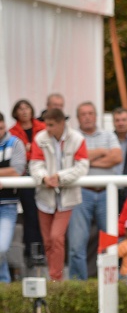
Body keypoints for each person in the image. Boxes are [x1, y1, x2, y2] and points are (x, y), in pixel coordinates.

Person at [30, 108, 89, 281]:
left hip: (68, 197)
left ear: (62, 122)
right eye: (46, 124)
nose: (47, 128)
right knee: (48, 241)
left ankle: (57, 279)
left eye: (51, 125)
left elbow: (82, 166)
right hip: (45, 196)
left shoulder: (77, 139)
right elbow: (35, 165)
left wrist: (59, 178)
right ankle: (55, 277)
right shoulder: (40, 138)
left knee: (56, 238)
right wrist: (44, 178)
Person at [68, 101, 122, 280]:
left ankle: (111, 283)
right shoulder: (73, 137)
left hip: (107, 192)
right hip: (82, 192)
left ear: (96, 116)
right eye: (83, 114)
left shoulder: (108, 135)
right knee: (77, 244)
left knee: (110, 240)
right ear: (78, 118)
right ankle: (79, 287)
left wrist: (87, 160)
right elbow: (73, 159)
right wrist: (101, 151)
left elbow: (117, 157)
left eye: (90, 113)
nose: (87, 117)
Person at [8, 99, 46, 268]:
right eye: (20, 109)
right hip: (24, 178)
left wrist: (31, 150)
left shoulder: (43, 128)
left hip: (43, 176)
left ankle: (41, 251)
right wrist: (27, 151)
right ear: (15, 113)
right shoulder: (11, 133)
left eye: (27, 108)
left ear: (32, 110)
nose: (24, 111)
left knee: (43, 214)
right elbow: (16, 158)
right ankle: (31, 252)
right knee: (30, 215)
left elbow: (45, 151)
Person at [0, 113, 27, 282]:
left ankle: (4, 284)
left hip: (7, 204)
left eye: (1, 128)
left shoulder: (15, 142)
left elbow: (17, 170)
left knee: (1, 248)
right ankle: (4, 286)